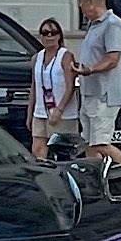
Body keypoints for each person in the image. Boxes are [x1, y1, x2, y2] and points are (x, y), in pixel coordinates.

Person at [74, 0, 121, 165]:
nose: (80, 9)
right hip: (90, 92)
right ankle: (94, 182)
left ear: (90, 2)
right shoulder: (93, 26)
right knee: (90, 144)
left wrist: (90, 69)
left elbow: (113, 59)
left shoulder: (113, 24)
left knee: (101, 143)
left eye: (81, 3)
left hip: (104, 96)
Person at [30, 17, 76, 158]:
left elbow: (71, 86)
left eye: (53, 32)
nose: (49, 36)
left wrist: (59, 109)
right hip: (41, 111)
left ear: (59, 35)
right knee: (37, 149)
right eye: (45, 33)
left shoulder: (66, 56)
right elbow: (34, 86)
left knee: (60, 149)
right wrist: (30, 112)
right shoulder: (37, 58)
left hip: (62, 112)